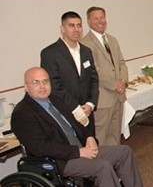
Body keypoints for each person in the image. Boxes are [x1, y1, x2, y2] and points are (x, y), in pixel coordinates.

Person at [11, 67, 143, 187]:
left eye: (45, 81)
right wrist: (79, 152)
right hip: (59, 161)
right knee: (103, 167)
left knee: (124, 152)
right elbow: (42, 148)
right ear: (26, 87)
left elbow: (76, 124)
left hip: (80, 149)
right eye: (36, 82)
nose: (42, 86)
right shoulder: (23, 113)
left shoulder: (55, 100)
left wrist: (89, 137)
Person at [40, 11, 98, 135]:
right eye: (71, 26)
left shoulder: (86, 51)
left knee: (92, 147)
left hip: (87, 111)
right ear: (62, 29)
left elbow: (94, 79)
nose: (76, 29)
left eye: (79, 25)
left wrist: (90, 104)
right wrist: (75, 108)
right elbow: (54, 85)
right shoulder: (50, 53)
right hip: (65, 111)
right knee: (74, 150)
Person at [79, 7, 128, 146]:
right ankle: (102, 166)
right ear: (89, 21)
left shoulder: (112, 40)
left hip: (118, 97)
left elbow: (121, 63)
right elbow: (95, 70)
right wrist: (115, 84)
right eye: (96, 18)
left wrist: (123, 81)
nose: (100, 21)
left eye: (102, 17)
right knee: (100, 137)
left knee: (115, 135)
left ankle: (114, 164)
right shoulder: (85, 43)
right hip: (102, 99)